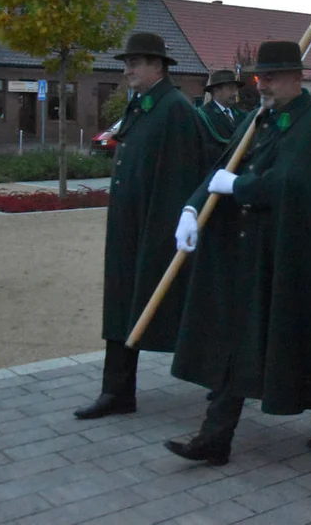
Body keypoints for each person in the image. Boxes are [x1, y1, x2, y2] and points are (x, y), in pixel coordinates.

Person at [165, 40, 311, 465]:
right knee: (238, 339)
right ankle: (215, 436)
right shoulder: (260, 119)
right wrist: (191, 207)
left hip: (298, 255)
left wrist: (236, 188)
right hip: (252, 254)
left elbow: (290, 184)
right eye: (260, 77)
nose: (263, 84)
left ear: (297, 78)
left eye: (271, 77)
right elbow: (223, 167)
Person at [74, 32, 209, 420]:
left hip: (153, 232)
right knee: (120, 308)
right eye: (126, 62)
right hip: (127, 231)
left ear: (159, 66)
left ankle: (223, 382)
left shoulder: (175, 110)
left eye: (137, 61)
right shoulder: (142, 105)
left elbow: (181, 179)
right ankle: (116, 391)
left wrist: (163, 234)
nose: (128, 68)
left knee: (182, 311)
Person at [198, 69, 246, 164]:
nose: (235, 93)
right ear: (216, 90)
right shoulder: (203, 115)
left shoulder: (242, 115)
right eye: (230, 89)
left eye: (236, 89)